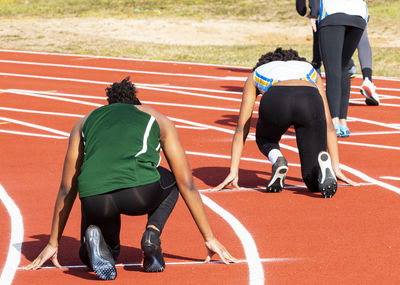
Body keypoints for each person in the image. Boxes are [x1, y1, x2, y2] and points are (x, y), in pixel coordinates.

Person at [25, 77, 237, 280]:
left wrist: (54, 242)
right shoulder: (158, 118)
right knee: (172, 181)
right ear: (137, 103)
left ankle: (98, 243)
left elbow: (67, 187)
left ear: (109, 104)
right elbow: (187, 184)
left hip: (95, 198)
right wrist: (209, 238)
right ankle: (152, 235)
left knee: (103, 251)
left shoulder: (84, 122)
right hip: (139, 193)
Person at [214, 48, 357, 198]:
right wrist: (336, 166)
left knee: (265, 138)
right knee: (313, 183)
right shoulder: (309, 70)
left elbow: (241, 128)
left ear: (264, 62)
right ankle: (323, 168)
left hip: (276, 99)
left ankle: (277, 158)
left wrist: (233, 171)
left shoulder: (256, 74)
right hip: (309, 99)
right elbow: (329, 125)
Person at [308, 0, 369, 137]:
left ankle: (333, 122)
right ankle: (343, 122)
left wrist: (313, 12)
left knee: (333, 69)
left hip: (332, 12)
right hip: (358, 14)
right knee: (343, 66)